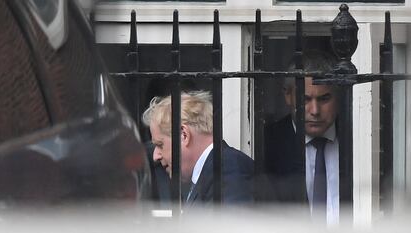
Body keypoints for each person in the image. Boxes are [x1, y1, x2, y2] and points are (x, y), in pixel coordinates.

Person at [263, 50, 349, 224]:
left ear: (339, 95)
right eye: (305, 99)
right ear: (288, 95)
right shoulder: (266, 143)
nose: (315, 111)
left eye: (324, 99)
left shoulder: (358, 138)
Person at [142, 91, 254, 206]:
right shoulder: (215, 170)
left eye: (160, 144)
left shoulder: (227, 168)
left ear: (183, 135)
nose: (155, 156)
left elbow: (235, 222)